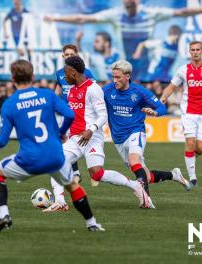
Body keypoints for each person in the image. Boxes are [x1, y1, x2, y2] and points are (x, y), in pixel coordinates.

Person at [0, 59, 104, 233]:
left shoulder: (9, 104)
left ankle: (4, 214)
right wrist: (61, 132)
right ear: (33, 76)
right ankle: (92, 223)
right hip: (54, 156)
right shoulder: (47, 95)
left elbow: (3, 141)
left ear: (13, 78)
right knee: (73, 186)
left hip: (29, 158)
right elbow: (69, 115)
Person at [47, 56, 144, 212]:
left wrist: (90, 130)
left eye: (66, 73)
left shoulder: (93, 89)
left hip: (92, 138)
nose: (64, 77)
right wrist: (63, 132)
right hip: (75, 139)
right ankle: (60, 202)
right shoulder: (71, 91)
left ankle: (135, 185)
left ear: (73, 72)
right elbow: (71, 116)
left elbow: (103, 115)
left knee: (97, 174)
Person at [45, 0, 202, 80]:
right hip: (125, 66)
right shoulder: (116, 15)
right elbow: (82, 18)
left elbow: (182, 12)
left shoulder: (150, 13)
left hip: (146, 67)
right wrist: (56, 17)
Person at [103, 60, 191, 208]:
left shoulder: (139, 91)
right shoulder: (107, 90)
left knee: (134, 161)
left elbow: (161, 107)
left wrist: (155, 112)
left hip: (135, 132)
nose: (115, 80)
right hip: (118, 138)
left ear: (127, 76)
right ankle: (174, 175)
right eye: (113, 77)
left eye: (118, 77)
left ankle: (145, 199)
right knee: (146, 175)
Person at [160, 41, 202, 187]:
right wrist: (163, 98)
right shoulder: (183, 70)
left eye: (198, 49)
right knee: (190, 142)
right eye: (192, 50)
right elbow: (171, 86)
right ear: (189, 52)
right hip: (188, 111)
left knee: (200, 148)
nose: (195, 52)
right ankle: (192, 177)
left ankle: (190, 160)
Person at [55, 44, 95, 184]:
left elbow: (93, 91)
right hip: (66, 112)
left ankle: (94, 170)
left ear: (77, 55)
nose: (69, 57)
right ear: (63, 56)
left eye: (72, 54)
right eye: (66, 55)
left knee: (80, 143)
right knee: (65, 142)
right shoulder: (59, 73)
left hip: (80, 114)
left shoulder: (87, 73)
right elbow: (58, 89)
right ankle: (76, 173)